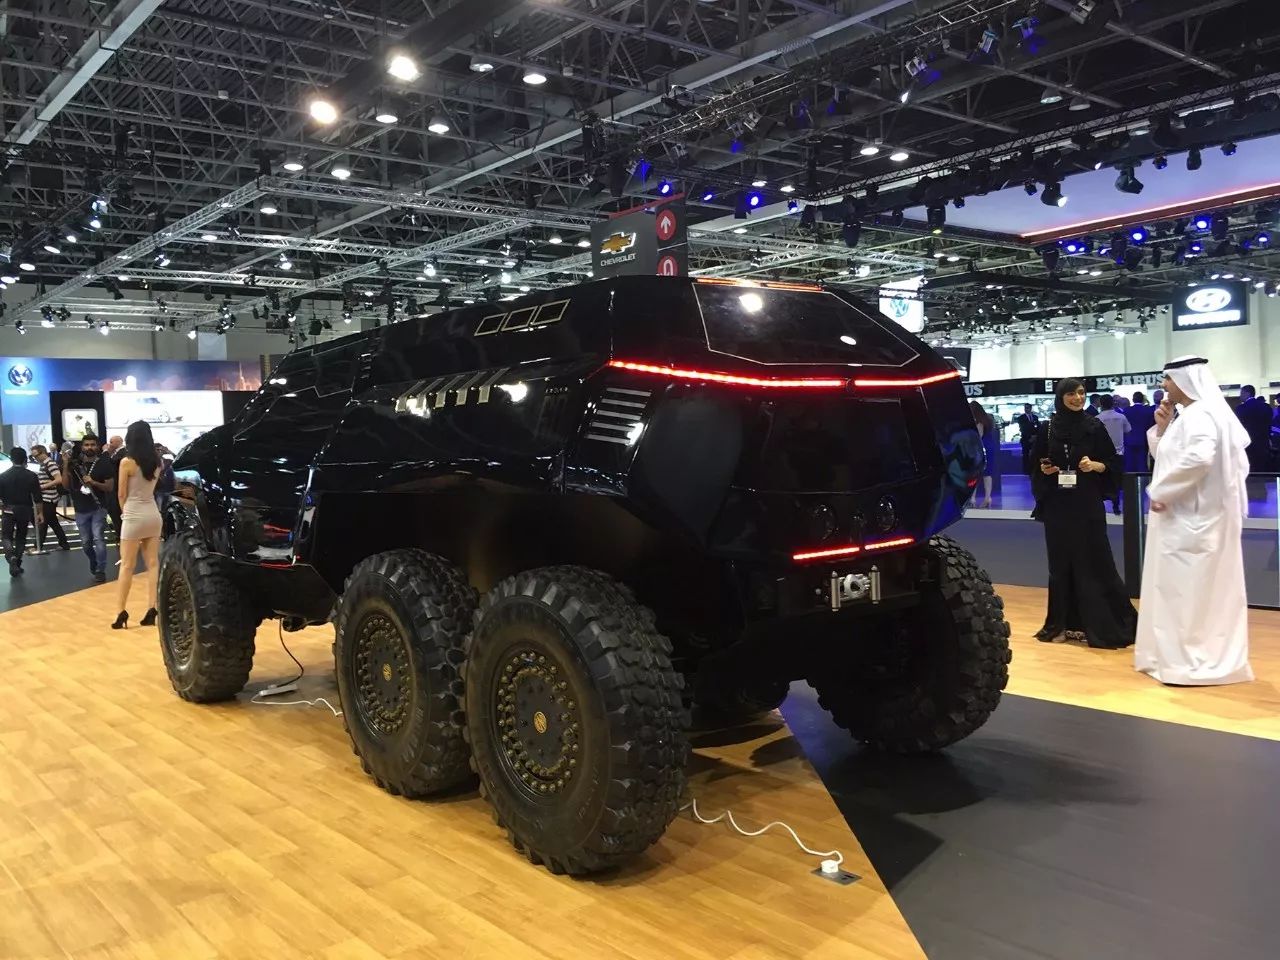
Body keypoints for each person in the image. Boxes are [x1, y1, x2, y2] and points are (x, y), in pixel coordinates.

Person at [1136, 357, 1252, 685]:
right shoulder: (1192, 415)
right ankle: (1174, 657)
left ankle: (1190, 662)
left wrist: (1162, 491)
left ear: (1186, 381)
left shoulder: (1201, 415)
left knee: (1187, 593)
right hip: (1189, 518)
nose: (1164, 385)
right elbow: (1172, 457)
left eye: (1168, 379)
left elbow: (1199, 459)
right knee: (1182, 590)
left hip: (1194, 521)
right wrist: (1162, 429)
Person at [1031, 378, 1136, 648]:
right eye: (1071, 393)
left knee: (1094, 559)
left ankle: (1100, 623)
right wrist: (1044, 469)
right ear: (1061, 397)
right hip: (1057, 504)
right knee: (1060, 564)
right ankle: (1062, 624)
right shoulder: (1048, 428)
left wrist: (1096, 465)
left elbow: (1113, 463)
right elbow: (1034, 462)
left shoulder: (1094, 426)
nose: (1077, 398)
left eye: (1081, 393)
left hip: (1087, 503)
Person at [112, 421, 164, 629]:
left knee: (127, 565)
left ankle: (120, 612)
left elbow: (121, 494)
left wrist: (124, 513)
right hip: (153, 514)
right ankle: (152, 607)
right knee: (153, 564)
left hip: (133, 515)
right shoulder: (158, 462)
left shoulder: (127, 462)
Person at [63, 434, 111, 583]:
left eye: (92, 444)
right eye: (86, 445)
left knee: (98, 538)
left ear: (97, 446)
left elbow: (109, 487)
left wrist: (94, 482)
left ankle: (101, 569)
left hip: (98, 507)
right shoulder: (74, 464)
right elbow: (65, 486)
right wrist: (65, 464)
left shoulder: (104, 463)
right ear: (82, 447)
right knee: (86, 543)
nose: (89, 447)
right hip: (80, 509)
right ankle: (93, 561)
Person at [0, 448, 43, 577]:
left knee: (6, 536)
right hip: (25, 509)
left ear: (11, 459)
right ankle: (17, 562)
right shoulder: (31, 476)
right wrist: (40, 513)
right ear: (25, 460)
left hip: (8, 509)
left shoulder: (3, 476)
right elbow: (37, 497)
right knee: (21, 536)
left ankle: (11, 556)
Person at [29, 445, 70, 551]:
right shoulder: (44, 464)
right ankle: (64, 544)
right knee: (53, 522)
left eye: (36, 455)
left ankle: (37, 546)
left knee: (43, 523)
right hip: (47, 498)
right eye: (33, 456)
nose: (35, 458)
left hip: (49, 498)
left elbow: (59, 479)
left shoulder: (50, 464)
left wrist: (42, 487)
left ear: (43, 452)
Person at [1096, 395, 1130, 515]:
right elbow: (1128, 430)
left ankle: (1101, 505)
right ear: (1113, 403)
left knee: (1103, 480)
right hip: (1118, 453)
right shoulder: (1121, 417)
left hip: (1103, 455)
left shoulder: (1097, 418)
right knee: (1117, 481)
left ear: (1101, 404)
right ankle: (1116, 506)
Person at [1234, 384, 1272, 474]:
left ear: (1247, 393)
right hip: (1263, 443)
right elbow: (1268, 424)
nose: (1240, 396)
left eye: (1241, 393)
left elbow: (1237, 427)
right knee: (1262, 470)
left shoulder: (1241, 409)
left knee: (1249, 471)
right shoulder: (1266, 407)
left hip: (1248, 445)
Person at [969, 401, 998, 508]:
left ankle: (972, 498)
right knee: (987, 474)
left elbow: (979, 436)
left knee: (974, 474)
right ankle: (987, 497)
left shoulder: (978, 422)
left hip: (980, 449)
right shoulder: (988, 420)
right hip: (989, 448)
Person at [1123, 391, 1155, 472]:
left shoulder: (1126, 411)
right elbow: (1150, 426)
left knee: (1129, 464)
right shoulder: (1148, 411)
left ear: (1133, 399)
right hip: (1143, 440)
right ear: (1143, 399)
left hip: (1129, 440)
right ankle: (1142, 479)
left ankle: (1130, 480)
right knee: (1142, 463)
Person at [1015, 403, 1040, 475]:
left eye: (1028, 408)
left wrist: (1036, 436)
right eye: (1025, 408)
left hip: (1035, 439)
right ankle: (1026, 470)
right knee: (1025, 455)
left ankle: (1034, 469)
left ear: (1031, 408)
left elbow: (1038, 427)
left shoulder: (1035, 417)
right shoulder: (1021, 418)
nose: (1026, 409)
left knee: (1035, 455)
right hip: (1026, 439)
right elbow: (1023, 429)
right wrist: (1029, 437)